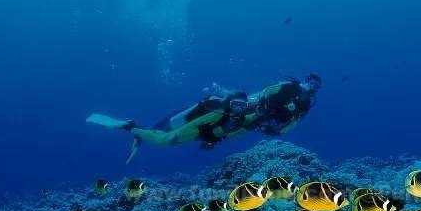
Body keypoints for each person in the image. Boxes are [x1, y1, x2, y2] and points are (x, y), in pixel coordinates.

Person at [87, 74, 322, 163]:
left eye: (314, 86)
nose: (309, 88)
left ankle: (137, 130)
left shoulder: (255, 120)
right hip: (204, 122)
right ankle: (131, 127)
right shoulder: (278, 92)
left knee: (165, 138)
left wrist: (214, 140)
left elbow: (231, 133)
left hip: (209, 132)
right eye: (309, 83)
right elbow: (203, 121)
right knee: (165, 138)